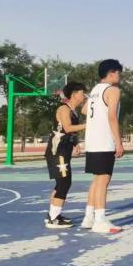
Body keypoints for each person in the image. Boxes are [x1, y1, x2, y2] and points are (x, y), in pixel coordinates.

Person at [81, 59, 125, 234]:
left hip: (92, 141)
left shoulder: (95, 90)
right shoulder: (113, 90)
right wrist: (118, 142)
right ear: (111, 73)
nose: (119, 76)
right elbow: (112, 116)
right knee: (104, 180)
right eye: (118, 72)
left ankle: (88, 217)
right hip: (104, 141)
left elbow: (84, 110)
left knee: (97, 179)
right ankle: (100, 220)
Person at [44, 82, 86, 229]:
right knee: (64, 183)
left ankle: (53, 215)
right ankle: (53, 219)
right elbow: (67, 128)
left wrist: (75, 144)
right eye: (82, 93)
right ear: (74, 94)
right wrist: (89, 125)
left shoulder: (74, 112)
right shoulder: (63, 109)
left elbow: (71, 133)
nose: (84, 96)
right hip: (58, 151)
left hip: (64, 151)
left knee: (61, 183)